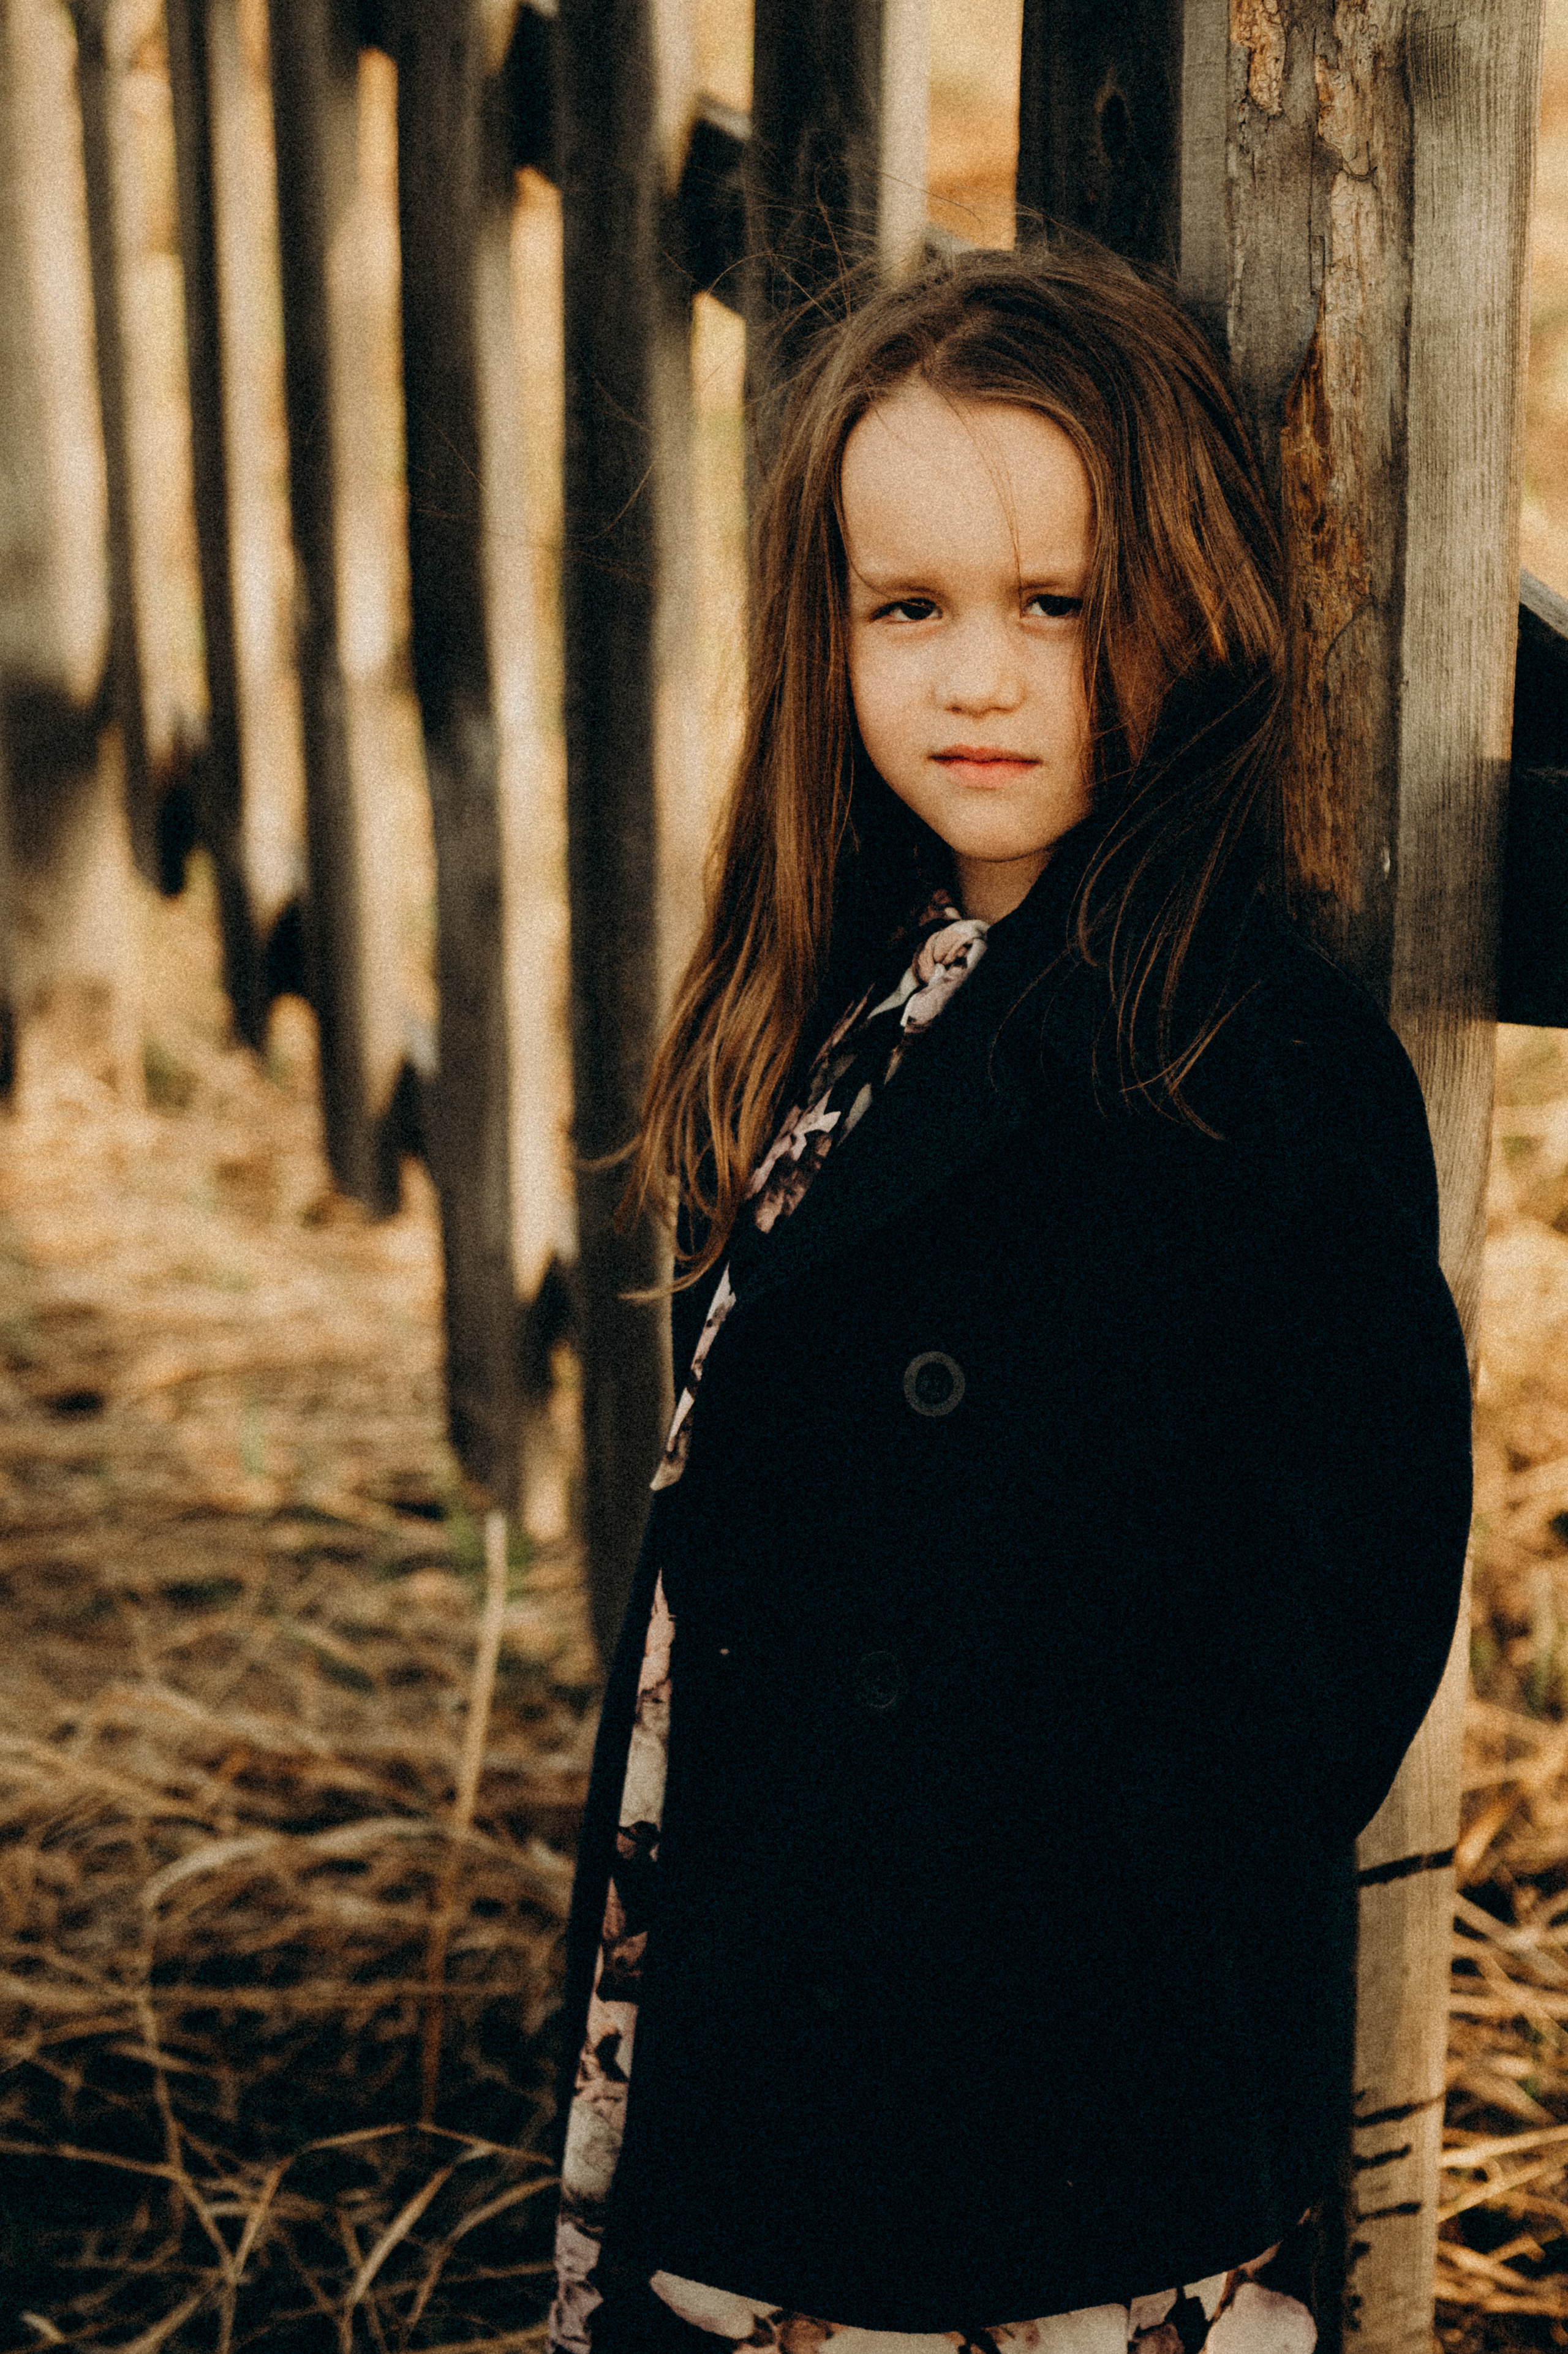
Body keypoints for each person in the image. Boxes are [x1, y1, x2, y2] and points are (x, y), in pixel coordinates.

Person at [548, 242, 1474, 2354]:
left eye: (1057, 607)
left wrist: (1101, 1882)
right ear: (831, 625)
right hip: (775, 1972)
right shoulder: (843, 989)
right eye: (913, 607)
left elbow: (1356, 1601)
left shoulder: (1257, 1067)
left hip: (1054, 2064)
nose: (980, 677)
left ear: (1189, 606)